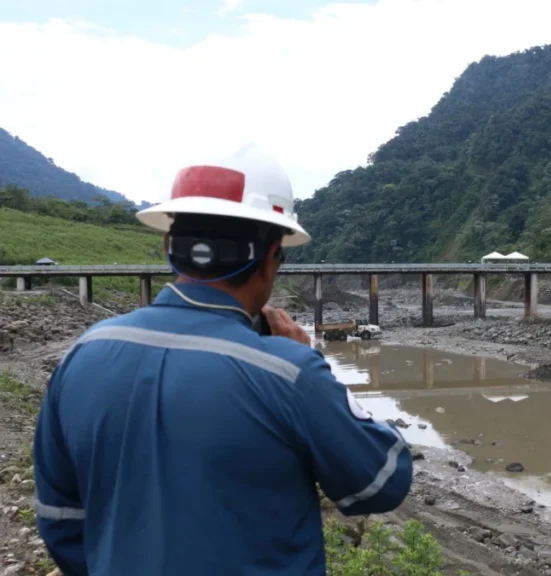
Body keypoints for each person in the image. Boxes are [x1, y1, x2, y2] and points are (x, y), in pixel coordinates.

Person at [31, 144, 413, 575]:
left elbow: (60, 521)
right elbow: (382, 483)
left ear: (167, 244)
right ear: (270, 259)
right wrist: (312, 363)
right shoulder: (288, 371)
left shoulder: (82, 355)